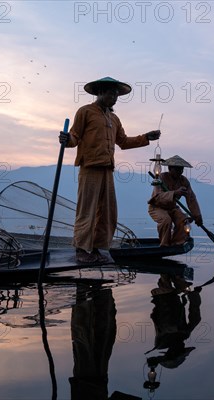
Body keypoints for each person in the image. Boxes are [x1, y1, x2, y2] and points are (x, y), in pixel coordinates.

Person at [59, 77, 161, 263]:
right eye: (110, 93)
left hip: (107, 169)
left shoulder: (114, 118)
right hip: (89, 167)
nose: (114, 97)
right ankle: (81, 249)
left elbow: (123, 142)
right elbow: (75, 136)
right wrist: (67, 141)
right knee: (87, 210)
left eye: (116, 94)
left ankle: (98, 248)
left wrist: (146, 137)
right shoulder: (85, 112)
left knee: (107, 212)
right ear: (99, 93)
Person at [148, 155, 203, 246]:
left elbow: (191, 199)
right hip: (157, 207)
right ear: (170, 169)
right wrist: (175, 193)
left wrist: (197, 215)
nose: (180, 172)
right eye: (177, 169)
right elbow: (158, 197)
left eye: (181, 169)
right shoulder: (161, 178)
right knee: (166, 220)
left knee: (184, 220)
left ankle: (176, 242)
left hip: (172, 207)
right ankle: (164, 244)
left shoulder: (184, 181)